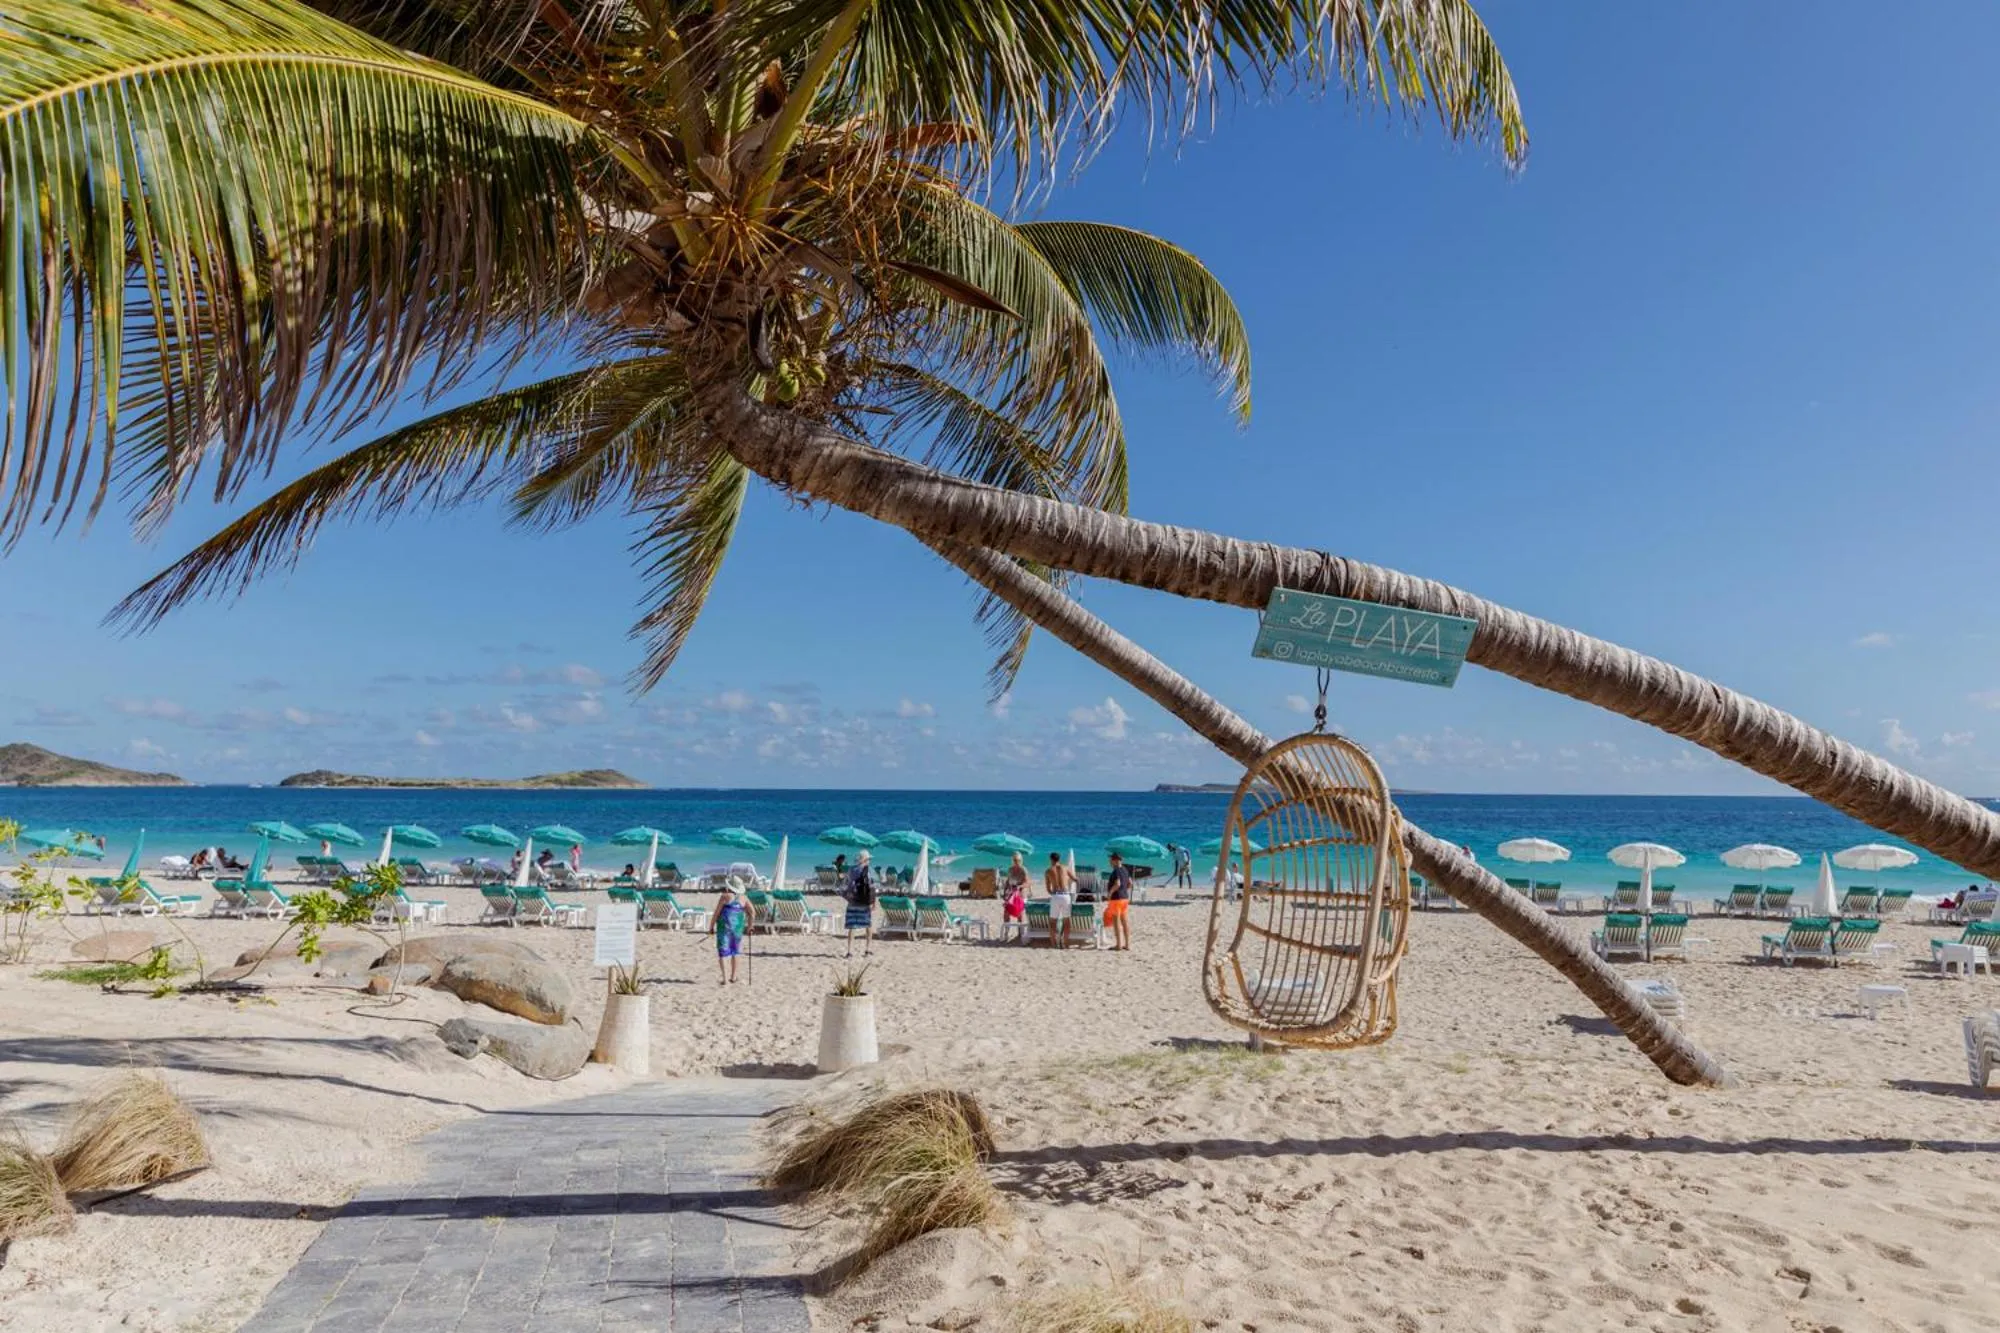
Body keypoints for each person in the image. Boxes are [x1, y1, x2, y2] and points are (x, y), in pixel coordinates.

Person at [842, 850, 875, 957]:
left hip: (852, 901)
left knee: (852, 927)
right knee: (868, 926)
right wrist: (873, 902)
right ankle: (868, 949)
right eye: (869, 859)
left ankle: (849, 951)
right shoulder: (868, 871)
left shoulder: (851, 869)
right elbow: (871, 888)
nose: (869, 861)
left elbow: (846, 884)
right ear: (865, 859)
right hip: (864, 902)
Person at [714, 885, 747, 984]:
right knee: (735, 952)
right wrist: (750, 926)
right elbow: (752, 912)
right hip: (737, 929)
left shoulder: (725, 896)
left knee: (723, 953)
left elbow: (716, 913)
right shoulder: (744, 898)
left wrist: (711, 926)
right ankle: (733, 977)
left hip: (724, 928)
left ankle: (724, 979)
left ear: (729, 887)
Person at [1104, 851, 1134, 951]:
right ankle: (1127, 945)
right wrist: (1124, 890)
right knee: (1125, 922)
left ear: (1116, 860)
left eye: (1111, 860)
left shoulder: (1116, 870)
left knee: (1116, 922)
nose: (1110, 862)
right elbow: (1130, 883)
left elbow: (1117, 883)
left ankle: (1118, 945)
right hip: (1124, 898)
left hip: (1116, 899)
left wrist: (1109, 893)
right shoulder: (1125, 870)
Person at [1044, 852, 1073, 949]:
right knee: (1067, 921)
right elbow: (1074, 878)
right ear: (1059, 859)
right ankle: (1065, 944)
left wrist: (1053, 893)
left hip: (1056, 896)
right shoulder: (1065, 868)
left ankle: (1054, 944)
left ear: (1051, 859)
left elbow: (1048, 889)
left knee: (1053, 922)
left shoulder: (1048, 871)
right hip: (1066, 896)